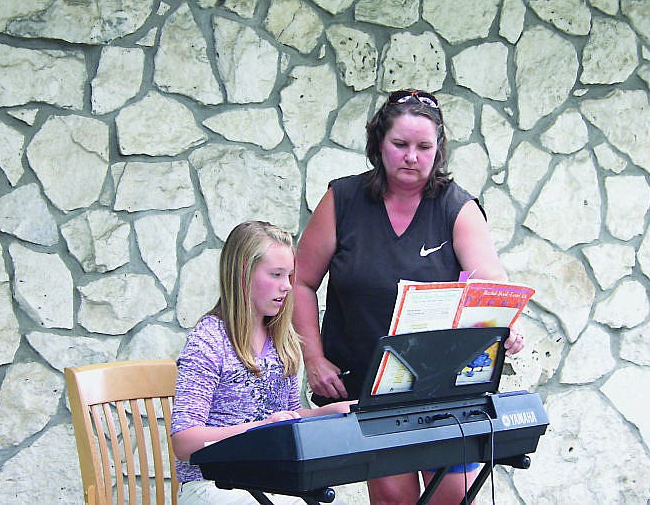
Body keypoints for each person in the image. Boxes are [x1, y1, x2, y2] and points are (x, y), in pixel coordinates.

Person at [293, 89, 525, 505]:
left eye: (424, 147)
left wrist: (506, 320)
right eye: (400, 145)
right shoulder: (342, 200)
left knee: (450, 499)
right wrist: (313, 358)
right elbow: (301, 282)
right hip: (366, 387)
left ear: (439, 151)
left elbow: (488, 278)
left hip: (444, 389)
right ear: (378, 144)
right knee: (394, 500)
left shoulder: (458, 207)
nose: (411, 157)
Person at [171, 220, 354, 505]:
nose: (287, 286)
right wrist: (260, 429)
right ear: (243, 273)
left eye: (290, 276)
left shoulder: (283, 340)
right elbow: (185, 442)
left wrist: (326, 414)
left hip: (269, 483)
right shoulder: (208, 340)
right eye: (276, 274)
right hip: (212, 485)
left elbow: (286, 419)